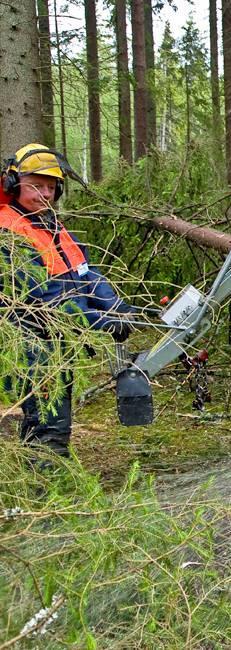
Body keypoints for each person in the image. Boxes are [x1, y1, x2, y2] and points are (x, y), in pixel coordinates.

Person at [0, 143, 133, 456]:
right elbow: (46, 300)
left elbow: (85, 273)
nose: (44, 194)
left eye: (50, 187)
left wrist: (115, 306)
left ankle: (47, 478)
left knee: (55, 419)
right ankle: (44, 490)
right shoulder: (9, 231)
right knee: (48, 422)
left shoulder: (50, 224)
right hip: (32, 339)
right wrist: (102, 322)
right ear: (14, 184)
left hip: (58, 339)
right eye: (36, 186)